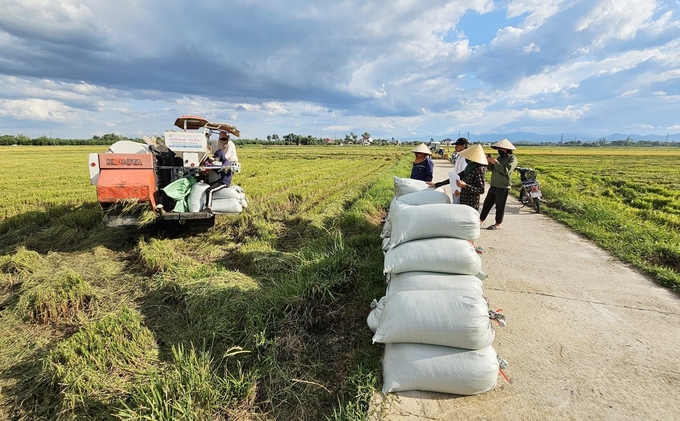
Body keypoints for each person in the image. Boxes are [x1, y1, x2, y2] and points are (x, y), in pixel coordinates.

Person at [479, 138, 518, 230]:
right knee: (487, 203)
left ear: (506, 149)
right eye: (498, 149)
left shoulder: (512, 159)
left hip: (503, 186)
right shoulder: (500, 158)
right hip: (494, 184)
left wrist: (496, 163)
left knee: (500, 206)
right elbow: (491, 169)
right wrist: (489, 162)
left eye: (501, 149)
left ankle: (498, 223)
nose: (499, 151)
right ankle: (481, 220)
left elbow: (506, 171)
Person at [205, 135, 234, 212]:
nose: (216, 158)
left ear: (221, 156)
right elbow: (218, 171)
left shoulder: (226, 163)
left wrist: (211, 165)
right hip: (221, 180)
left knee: (209, 190)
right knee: (208, 184)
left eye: (217, 156)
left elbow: (221, 168)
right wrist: (209, 164)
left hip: (224, 182)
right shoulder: (222, 162)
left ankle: (208, 207)